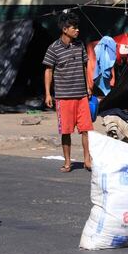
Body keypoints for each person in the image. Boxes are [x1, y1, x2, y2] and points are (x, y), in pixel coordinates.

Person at [43, 12, 93, 173]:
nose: (77, 30)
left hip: (81, 96)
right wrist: (48, 94)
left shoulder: (80, 45)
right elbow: (48, 71)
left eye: (77, 27)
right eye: (74, 27)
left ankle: (87, 160)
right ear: (65, 29)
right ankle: (67, 162)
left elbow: (85, 66)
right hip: (63, 97)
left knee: (86, 130)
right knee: (66, 131)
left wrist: (88, 86)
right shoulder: (53, 48)